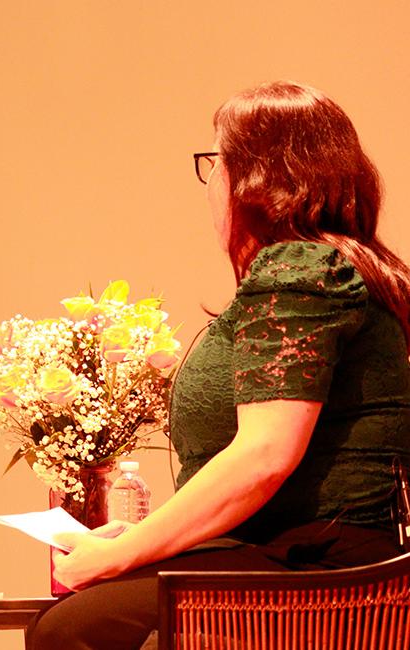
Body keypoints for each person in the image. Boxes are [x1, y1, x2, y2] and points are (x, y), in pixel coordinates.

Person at [27, 81, 410, 649]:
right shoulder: (337, 268)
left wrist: (116, 557)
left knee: (75, 629)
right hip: (291, 551)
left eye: (215, 163)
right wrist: (147, 536)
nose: (210, 187)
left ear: (258, 179)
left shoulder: (297, 271)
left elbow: (264, 456)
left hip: (323, 572)